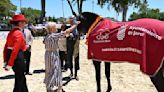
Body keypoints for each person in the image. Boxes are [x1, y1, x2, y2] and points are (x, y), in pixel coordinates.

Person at [43, 21, 80, 92]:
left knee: (49, 71)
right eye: (55, 26)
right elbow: (67, 31)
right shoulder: (53, 35)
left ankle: (49, 88)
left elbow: (44, 42)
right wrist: (75, 25)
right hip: (53, 54)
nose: (57, 27)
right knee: (56, 70)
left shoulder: (47, 36)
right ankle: (57, 88)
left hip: (47, 54)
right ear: (52, 28)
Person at [3, 14, 28, 92]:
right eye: (23, 22)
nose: (24, 23)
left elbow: (6, 47)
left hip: (10, 55)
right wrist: (10, 63)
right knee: (19, 79)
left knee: (21, 77)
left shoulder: (11, 32)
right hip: (18, 57)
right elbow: (16, 49)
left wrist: (6, 61)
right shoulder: (19, 33)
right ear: (20, 23)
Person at [66, 16, 80, 80]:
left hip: (76, 43)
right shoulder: (67, 26)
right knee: (69, 58)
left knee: (76, 58)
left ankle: (76, 74)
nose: (71, 20)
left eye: (73, 19)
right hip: (69, 44)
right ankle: (71, 73)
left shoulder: (78, 26)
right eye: (70, 19)